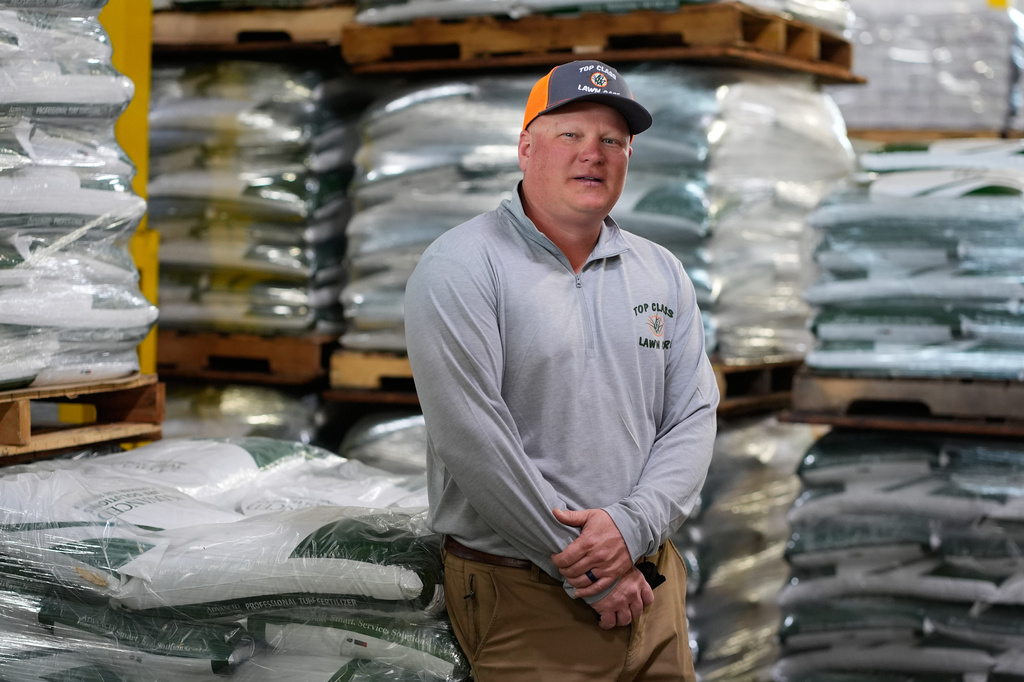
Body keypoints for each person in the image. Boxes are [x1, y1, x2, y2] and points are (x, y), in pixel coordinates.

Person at [404, 59, 719, 681]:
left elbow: (692, 415)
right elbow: (473, 437)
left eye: (612, 141)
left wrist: (631, 530)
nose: (592, 155)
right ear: (525, 148)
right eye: (570, 135)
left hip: (650, 582)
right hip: (525, 593)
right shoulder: (463, 266)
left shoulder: (661, 271)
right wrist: (587, 565)